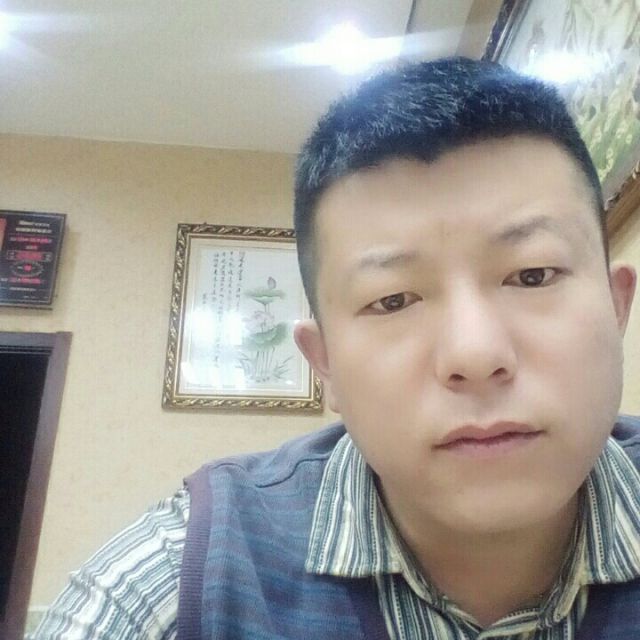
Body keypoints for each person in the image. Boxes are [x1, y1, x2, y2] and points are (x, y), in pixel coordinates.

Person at [33, 57, 639, 639]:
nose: (475, 355)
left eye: (532, 275)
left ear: (617, 306)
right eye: (393, 300)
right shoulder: (184, 579)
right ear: (324, 363)